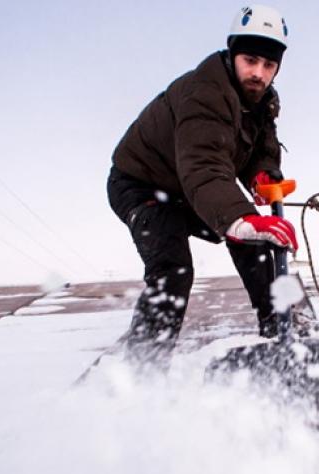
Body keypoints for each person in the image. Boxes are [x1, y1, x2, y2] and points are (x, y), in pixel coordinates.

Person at [107, 5, 297, 370]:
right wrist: (240, 216)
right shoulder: (205, 93)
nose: (258, 73)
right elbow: (203, 164)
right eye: (251, 59)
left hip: (189, 186)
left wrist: (263, 176)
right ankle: (143, 366)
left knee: (256, 241)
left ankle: (281, 330)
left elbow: (262, 148)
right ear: (232, 53)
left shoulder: (262, 100)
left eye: (269, 65)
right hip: (142, 185)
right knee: (172, 268)